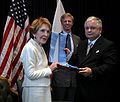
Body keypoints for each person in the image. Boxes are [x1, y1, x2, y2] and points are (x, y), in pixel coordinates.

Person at [75, 16, 117, 102]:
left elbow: (109, 66)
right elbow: (77, 61)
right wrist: (69, 56)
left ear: (100, 30)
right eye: (87, 28)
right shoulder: (81, 44)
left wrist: (92, 71)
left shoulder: (108, 45)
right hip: (81, 90)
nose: (89, 30)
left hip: (98, 91)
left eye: (92, 28)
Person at [20, 17, 58, 102]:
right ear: (34, 32)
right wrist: (50, 69)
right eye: (42, 31)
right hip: (34, 91)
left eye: (48, 31)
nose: (46, 34)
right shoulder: (30, 48)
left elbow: (40, 68)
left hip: (43, 89)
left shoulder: (39, 47)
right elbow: (30, 74)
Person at [50, 13, 81, 102]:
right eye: (65, 21)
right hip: (59, 78)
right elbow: (51, 57)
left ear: (72, 23)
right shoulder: (55, 38)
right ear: (61, 23)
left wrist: (70, 54)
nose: (67, 23)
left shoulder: (77, 39)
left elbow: (78, 57)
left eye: (69, 21)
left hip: (73, 79)